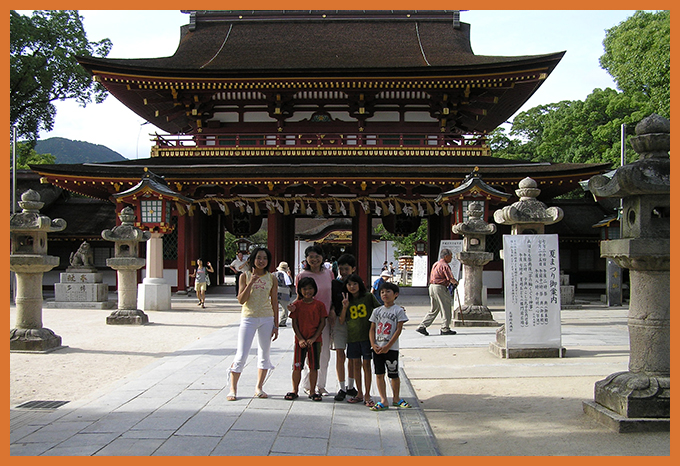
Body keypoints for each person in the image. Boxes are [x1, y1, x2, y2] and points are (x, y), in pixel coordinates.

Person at [227, 247, 279, 401]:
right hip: (249, 317)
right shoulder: (244, 276)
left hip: (267, 318)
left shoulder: (272, 278)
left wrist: (276, 325)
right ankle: (233, 389)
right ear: (252, 260)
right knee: (241, 354)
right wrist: (251, 283)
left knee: (264, 354)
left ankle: (259, 387)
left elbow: (274, 302)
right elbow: (241, 300)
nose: (261, 261)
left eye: (265, 258)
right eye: (258, 258)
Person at [296, 245, 334, 396]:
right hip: (307, 319)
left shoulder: (329, 273)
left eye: (317, 256)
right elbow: (299, 297)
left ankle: (321, 385)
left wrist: (333, 310)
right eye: (311, 256)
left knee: (324, 354)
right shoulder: (301, 276)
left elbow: (333, 294)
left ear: (322, 258)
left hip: (324, 319)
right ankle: (307, 384)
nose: (314, 259)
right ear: (306, 259)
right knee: (308, 352)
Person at [339, 273, 380, 407]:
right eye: (349, 284)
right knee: (355, 365)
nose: (352, 287)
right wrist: (345, 307)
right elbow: (341, 320)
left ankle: (368, 394)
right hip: (353, 337)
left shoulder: (368, 296)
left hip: (367, 337)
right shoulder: (346, 300)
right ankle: (359, 393)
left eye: (355, 284)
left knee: (367, 365)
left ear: (360, 284)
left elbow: (379, 310)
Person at [369, 282, 411, 411]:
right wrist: (373, 344)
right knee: (379, 374)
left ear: (395, 294)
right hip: (377, 347)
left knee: (393, 374)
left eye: (388, 292)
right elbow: (372, 329)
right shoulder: (377, 311)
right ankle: (383, 400)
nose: (385, 294)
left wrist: (388, 345)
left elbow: (398, 329)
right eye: (382, 292)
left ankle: (396, 398)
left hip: (391, 348)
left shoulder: (398, 310)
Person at [285, 277, 326, 402]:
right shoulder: (297, 305)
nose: (308, 291)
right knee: (297, 366)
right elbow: (294, 323)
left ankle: (312, 391)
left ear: (315, 289)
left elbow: (322, 323)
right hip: (300, 341)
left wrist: (314, 338)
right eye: (304, 289)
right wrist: (300, 339)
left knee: (313, 367)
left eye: (310, 288)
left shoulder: (319, 305)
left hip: (315, 341)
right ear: (300, 290)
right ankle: (294, 390)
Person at [331, 253, 359, 401]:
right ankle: (341, 387)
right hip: (338, 321)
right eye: (340, 269)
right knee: (340, 354)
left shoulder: (357, 284)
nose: (343, 272)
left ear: (353, 269)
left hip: (354, 322)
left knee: (352, 356)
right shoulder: (334, 284)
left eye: (346, 269)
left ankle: (351, 385)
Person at [416, 248, 459, 336]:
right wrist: (456, 283)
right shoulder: (445, 265)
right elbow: (450, 278)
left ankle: (422, 326)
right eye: (451, 256)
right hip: (440, 287)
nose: (451, 258)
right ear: (446, 256)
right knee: (445, 307)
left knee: (434, 308)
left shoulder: (436, 264)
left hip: (432, 286)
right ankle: (445, 328)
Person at [274, 261, 295, 327]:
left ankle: (273, 321)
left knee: (273, 308)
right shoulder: (286, 275)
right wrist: (289, 275)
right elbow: (290, 282)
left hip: (275, 291)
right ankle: (282, 322)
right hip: (285, 292)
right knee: (285, 308)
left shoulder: (274, 274)